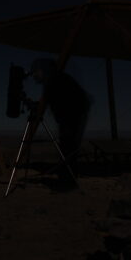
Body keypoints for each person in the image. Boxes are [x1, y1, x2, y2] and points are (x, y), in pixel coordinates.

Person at [30, 58, 90, 190]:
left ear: (43, 70)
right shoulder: (56, 79)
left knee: (67, 148)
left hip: (72, 117)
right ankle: (67, 180)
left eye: (35, 72)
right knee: (68, 148)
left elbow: (60, 102)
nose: (34, 75)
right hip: (73, 117)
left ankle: (68, 182)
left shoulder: (54, 80)